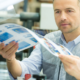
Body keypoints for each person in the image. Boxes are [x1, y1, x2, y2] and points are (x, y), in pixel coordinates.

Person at [1, 0, 80, 80]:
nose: (62, 17)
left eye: (69, 11)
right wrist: (11, 59)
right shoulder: (49, 40)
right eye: (57, 11)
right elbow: (26, 70)